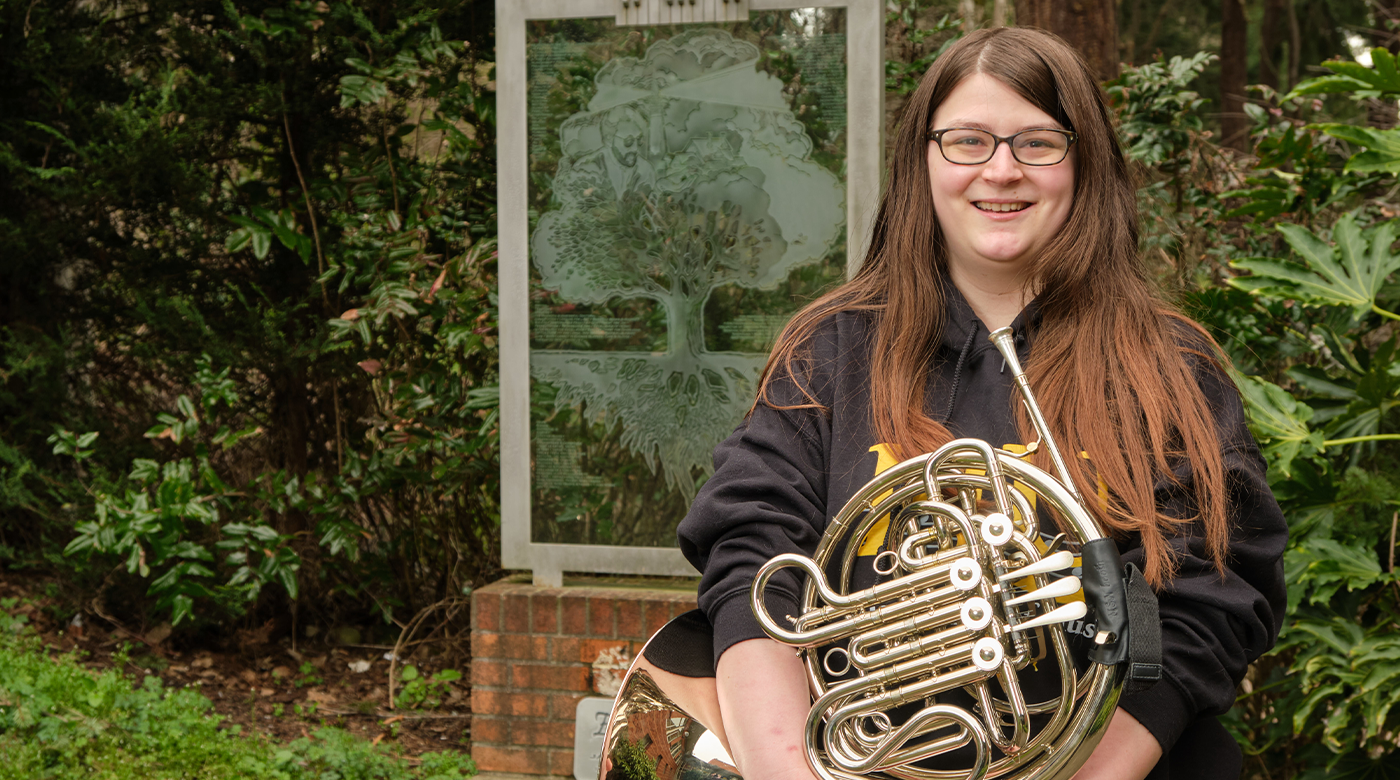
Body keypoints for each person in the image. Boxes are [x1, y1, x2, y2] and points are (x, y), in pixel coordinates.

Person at [647, 26, 1287, 780]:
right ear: (923, 162)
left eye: (1039, 143)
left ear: (1085, 164)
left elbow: (1210, 605)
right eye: (968, 141)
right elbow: (754, 561)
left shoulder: (1170, 367)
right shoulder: (830, 353)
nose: (1003, 170)